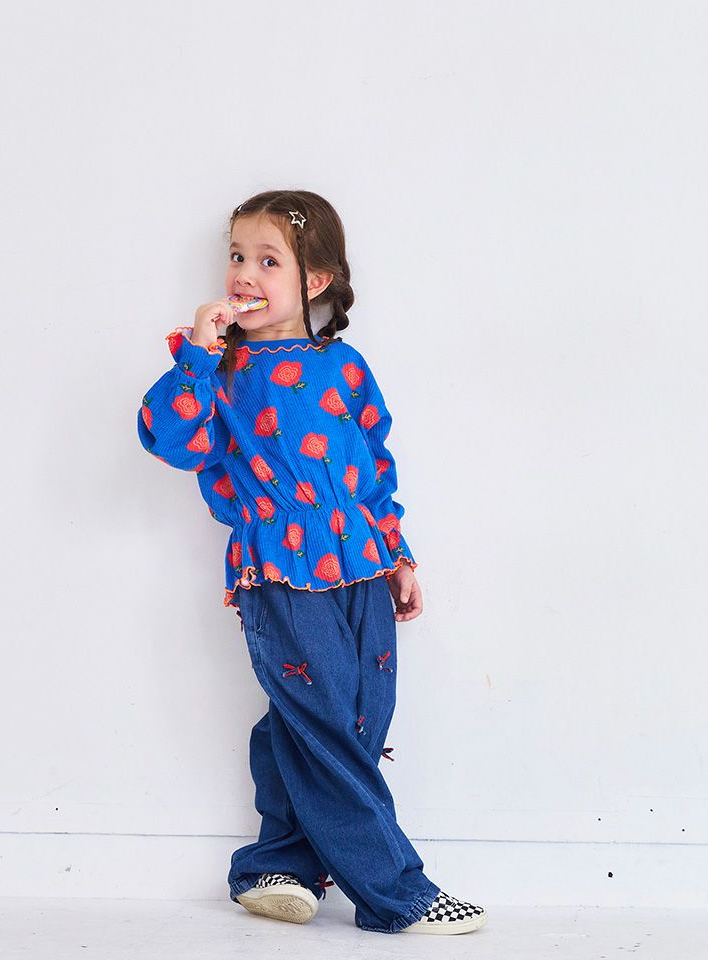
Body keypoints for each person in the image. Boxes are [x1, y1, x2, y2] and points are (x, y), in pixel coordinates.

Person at [137, 189, 487, 936]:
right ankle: (396, 891)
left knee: (354, 716)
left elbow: (375, 466)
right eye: (237, 256)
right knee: (324, 719)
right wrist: (197, 354)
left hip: (362, 561)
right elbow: (171, 442)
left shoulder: (345, 367)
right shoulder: (217, 370)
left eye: (268, 260)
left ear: (316, 280)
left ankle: (281, 863)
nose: (244, 273)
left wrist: (397, 552)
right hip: (280, 566)